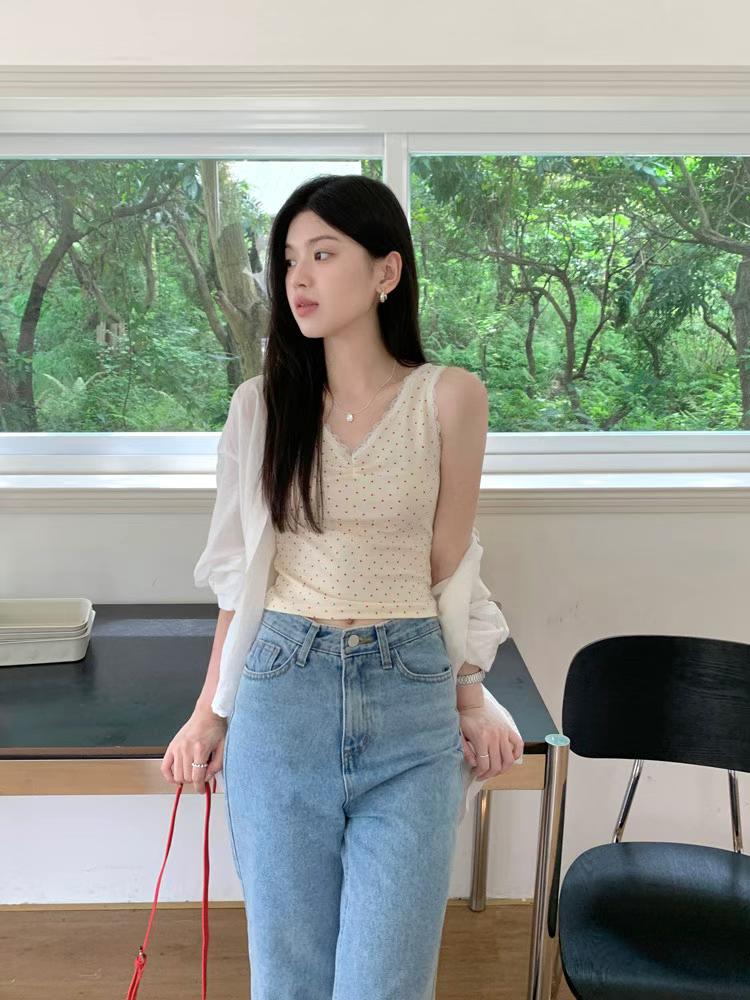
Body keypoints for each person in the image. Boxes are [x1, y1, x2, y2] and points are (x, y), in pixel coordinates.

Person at [162, 174, 523, 1000]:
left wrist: (471, 693)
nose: (299, 277)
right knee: (289, 979)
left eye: (323, 255)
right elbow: (237, 577)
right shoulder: (261, 407)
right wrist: (209, 711)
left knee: (386, 983)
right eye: (290, 258)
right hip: (282, 691)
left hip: (409, 694)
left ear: (386, 271)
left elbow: (452, 562)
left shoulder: (450, 398)